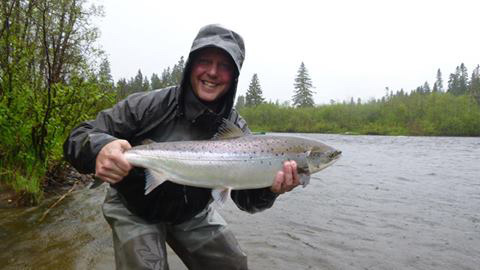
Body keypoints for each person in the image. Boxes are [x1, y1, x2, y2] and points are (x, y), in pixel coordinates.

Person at [64, 24, 300, 270]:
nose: (212, 72)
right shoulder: (147, 106)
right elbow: (78, 136)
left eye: (224, 66)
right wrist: (101, 148)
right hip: (133, 207)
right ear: (190, 66)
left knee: (233, 266)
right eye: (205, 61)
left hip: (191, 212)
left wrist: (270, 189)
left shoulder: (236, 128)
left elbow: (246, 200)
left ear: (235, 76)